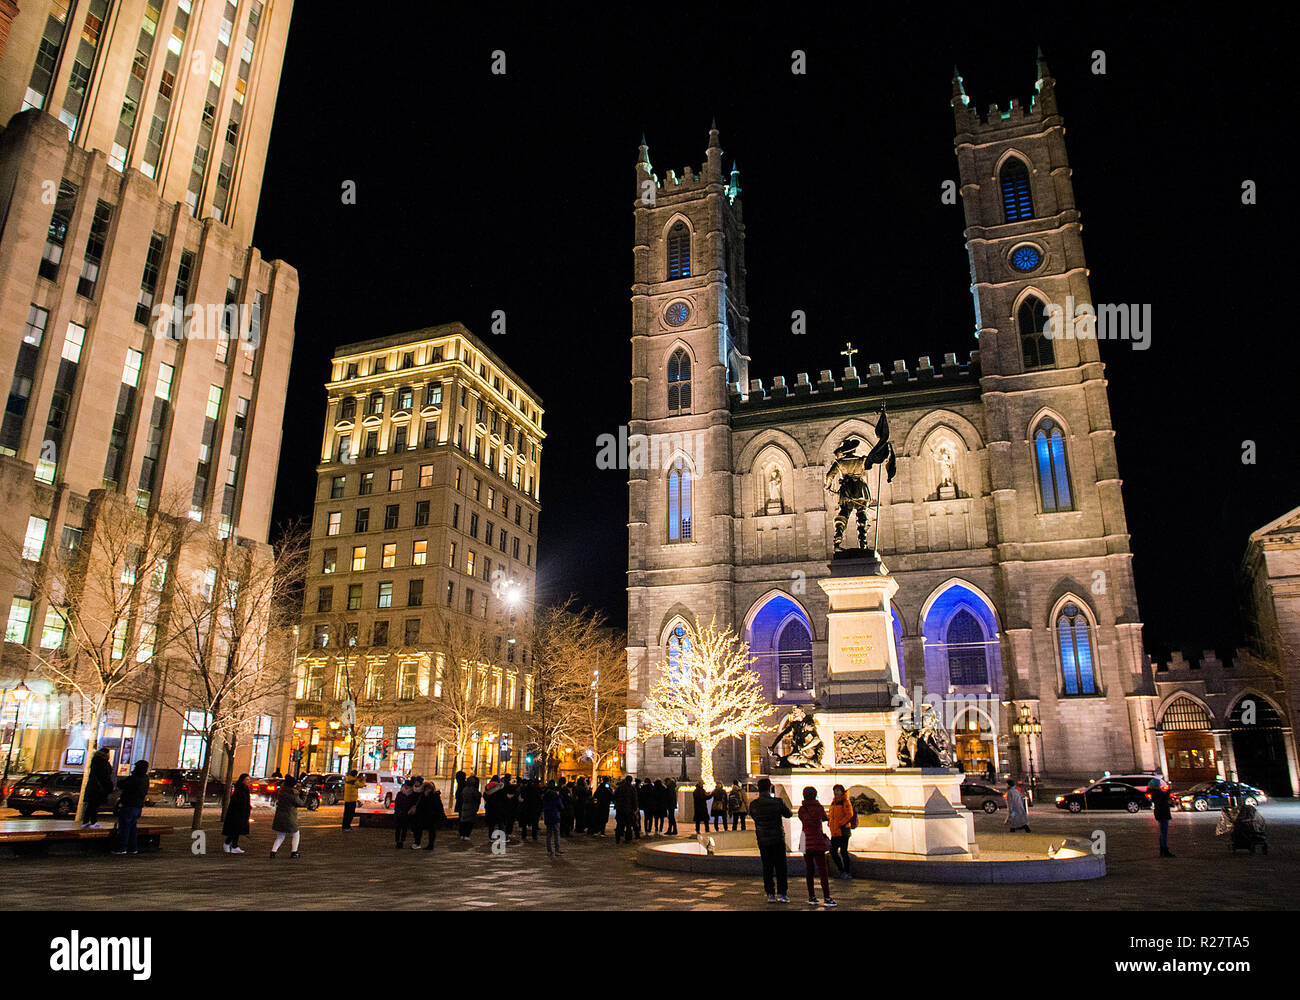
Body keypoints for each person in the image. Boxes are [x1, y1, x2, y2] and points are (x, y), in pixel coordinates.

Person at [749, 778, 792, 903]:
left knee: (767, 866)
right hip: (777, 838)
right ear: (770, 788)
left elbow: (754, 817)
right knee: (781, 867)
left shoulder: (754, 804)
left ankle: (770, 893)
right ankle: (782, 893)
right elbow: (788, 814)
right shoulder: (777, 802)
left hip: (763, 839)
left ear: (758, 788)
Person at [798, 787, 836, 906]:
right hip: (817, 838)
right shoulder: (818, 808)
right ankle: (827, 897)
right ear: (815, 795)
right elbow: (825, 818)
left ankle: (812, 897)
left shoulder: (802, 809)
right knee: (822, 870)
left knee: (809, 870)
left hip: (805, 839)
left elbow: (802, 819)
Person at [113, 759, 149, 855]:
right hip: (138, 805)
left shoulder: (135, 778)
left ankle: (122, 847)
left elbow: (123, 785)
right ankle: (132, 848)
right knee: (132, 827)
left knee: (125, 827)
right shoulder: (145, 778)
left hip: (129, 805)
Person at [270, 774, 307, 858]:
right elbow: (300, 803)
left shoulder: (282, 791)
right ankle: (294, 852)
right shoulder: (292, 793)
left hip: (279, 816)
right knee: (296, 834)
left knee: (280, 836)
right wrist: (303, 795)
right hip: (289, 816)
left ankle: (273, 851)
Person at [827, 784, 855, 879]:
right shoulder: (834, 802)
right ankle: (841, 870)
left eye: (838, 790)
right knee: (833, 851)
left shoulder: (845, 802)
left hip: (843, 831)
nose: (836, 792)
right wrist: (830, 822)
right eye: (835, 790)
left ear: (842, 791)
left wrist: (840, 823)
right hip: (835, 831)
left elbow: (849, 814)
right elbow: (831, 814)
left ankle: (846, 872)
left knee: (843, 851)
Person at [82, 747, 114, 828]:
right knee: (94, 805)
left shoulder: (95, 761)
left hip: (94, 787)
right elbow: (104, 776)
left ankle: (86, 821)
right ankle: (93, 822)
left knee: (91, 805)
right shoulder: (102, 763)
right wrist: (108, 786)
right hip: (98, 788)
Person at [222, 774, 252, 854]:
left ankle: (234, 846)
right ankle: (227, 843)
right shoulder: (239, 789)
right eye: (247, 779)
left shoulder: (245, 789)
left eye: (249, 779)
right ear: (242, 780)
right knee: (235, 830)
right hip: (236, 813)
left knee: (237, 830)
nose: (248, 781)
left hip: (242, 813)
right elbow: (237, 802)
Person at [413, 783, 446, 850]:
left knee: (431, 831)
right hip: (422, 816)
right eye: (426, 789)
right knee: (418, 829)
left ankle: (430, 845)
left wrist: (440, 815)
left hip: (432, 816)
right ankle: (417, 843)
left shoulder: (434, 796)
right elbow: (419, 805)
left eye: (428, 789)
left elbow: (439, 807)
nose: (427, 790)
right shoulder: (422, 796)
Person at [1149, 778, 1174, 858]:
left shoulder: (1154, 792)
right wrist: (1169, 789)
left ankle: (1163, 849)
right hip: (1163, 813)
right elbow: (1165, 798)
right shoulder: (1157, 792)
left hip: (1160, 813)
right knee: (1164, 832)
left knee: (1163, 831)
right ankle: (1164, 850)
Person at [614, 775, 638, 844]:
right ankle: (628, 838)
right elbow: (634, 800)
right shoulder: (632, 788)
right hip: (629, 809)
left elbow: (615, 796)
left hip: (620, 809)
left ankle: (617, 838)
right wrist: (635, 808)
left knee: (619, 824)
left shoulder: (620, 788)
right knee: (628, 825)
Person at [542, 781, 564, 856]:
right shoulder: (556, 796)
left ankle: (549, 850)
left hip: (548, 816)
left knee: (549, 834)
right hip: (555, 816)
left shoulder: (545, 796)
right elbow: (561, 806)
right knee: (556, 834)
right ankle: (557, 850)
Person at [394, 779, 416, 848]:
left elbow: (413, 804)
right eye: (405, 785)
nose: (406, 787)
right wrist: (397, 811)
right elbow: (396, 803)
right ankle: (398, 841)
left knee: (404, 828)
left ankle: (402, 841)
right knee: (398, 828)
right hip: (399, 813)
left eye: (408, 786)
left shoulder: (412, 795)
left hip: (407, 813)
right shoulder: (400, 793)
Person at [458, 775, 481, 840]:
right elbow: (476, 797)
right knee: (470, 822)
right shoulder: (473, 790)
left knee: (464, 821)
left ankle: (462, 834)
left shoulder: (465, 789)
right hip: (471, 807)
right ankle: (466, 835)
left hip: (465, 806)